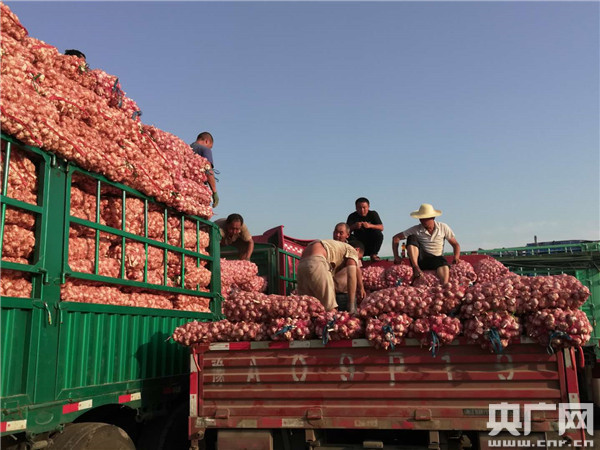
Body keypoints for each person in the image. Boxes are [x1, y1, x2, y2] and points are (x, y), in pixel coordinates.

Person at [391, 203, 461, 285]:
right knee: (411, 238)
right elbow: (396, 238)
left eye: (425, 218)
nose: (423, 221)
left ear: (433, 217)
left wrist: (456, 257)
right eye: (421, 218)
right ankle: (415, 267)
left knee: (443, 263)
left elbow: (455, 244)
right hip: (421, 259)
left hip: (437, 259)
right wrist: (396, 256)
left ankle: (445, 285)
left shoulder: (443, 227)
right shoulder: (416, 229)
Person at [297, 239, 364, 313]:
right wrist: (352, 305)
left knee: (307, 309)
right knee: (330, 309)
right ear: (357, 250)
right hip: (317, 261)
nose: (356, 262)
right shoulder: (352, 251)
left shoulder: (336, 248)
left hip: (301, 265)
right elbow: (351, 276)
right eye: (358, 259)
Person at [332, 223, 366, 308]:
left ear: (347, 235)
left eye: (341, 233)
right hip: (331, 294)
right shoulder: (329, 248)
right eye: (335, 232)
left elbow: (357, 269)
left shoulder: (350, 249)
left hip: (346, 294)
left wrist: (361, 287)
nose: (337, 235)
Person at [190, 132, 218, 207]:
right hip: (198, 192)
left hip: (186, 190)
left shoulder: (187, 148)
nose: (209, 149)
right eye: (210, 147)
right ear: (206, 141)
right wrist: (214, 192)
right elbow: (208, 169)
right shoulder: (205, 149)